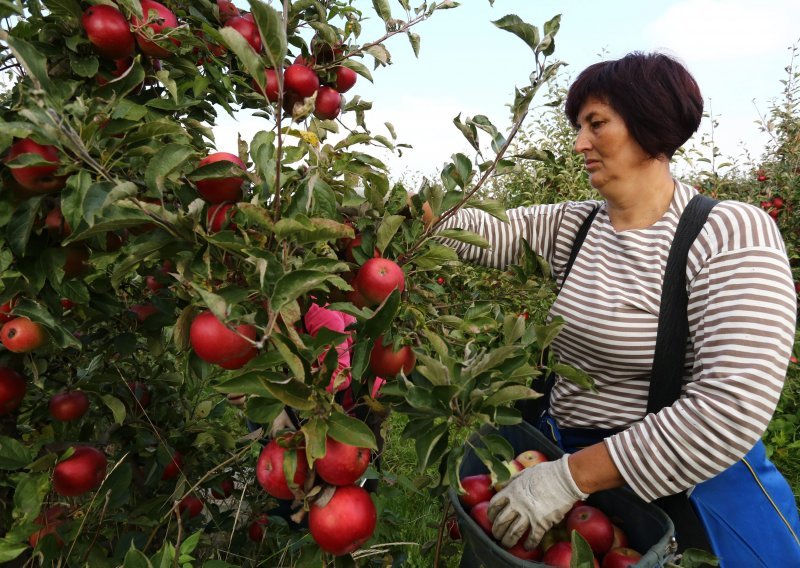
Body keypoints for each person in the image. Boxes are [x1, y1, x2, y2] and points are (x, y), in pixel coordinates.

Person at [437, 52, 800, 564]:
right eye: (579, 126)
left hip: (687, 484)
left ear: (650, 122)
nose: (580, 142)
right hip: (575, 488)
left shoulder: (728, 232)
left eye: (596, 124)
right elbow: (484, 233)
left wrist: (570, 478)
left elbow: (731, 405)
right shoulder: (577, 226)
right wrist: (403, 216)